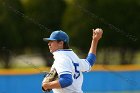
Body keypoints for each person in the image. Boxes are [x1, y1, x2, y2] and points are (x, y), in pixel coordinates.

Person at [42, 28, 103, 93]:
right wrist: (95, 40)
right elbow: (90, 61)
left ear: (60, 43)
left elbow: (67, 80)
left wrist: (46, 85)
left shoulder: (61, 58)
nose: (49, 44)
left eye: (52, 41)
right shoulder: (73, 57)